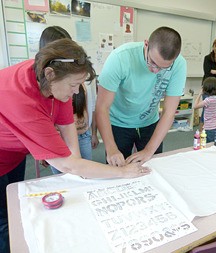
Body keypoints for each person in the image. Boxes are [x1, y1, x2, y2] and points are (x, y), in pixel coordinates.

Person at [0, 38, 150, 253]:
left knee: (14, 206)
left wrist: (80, 171)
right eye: (73, 85)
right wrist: (124, 173)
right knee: (5, 223)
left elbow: (69, 132)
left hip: (13, 152)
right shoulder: (21, 98)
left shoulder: (53, 80)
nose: (77, 92)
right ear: (50, 74)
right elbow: (68, 165)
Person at [96, 26, 186, 166]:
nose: (155, 71)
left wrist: (149, 150)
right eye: (153, 62)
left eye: (164, 67)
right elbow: (102, 107)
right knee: (117, 169)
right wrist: (111, 148)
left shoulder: (179, 64)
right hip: (118, 123)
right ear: (146, 44)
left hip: (150, 123)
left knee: (153, 167)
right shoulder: (120, 58)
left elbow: (169, 112)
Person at [38, 26, 99, 174]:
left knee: (81, 171)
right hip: (55, 139)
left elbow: (92, 108)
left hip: (81, 133)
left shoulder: (74, 82)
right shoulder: (41, 89)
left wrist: (93, 133)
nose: (76, 90)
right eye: (73, 85)